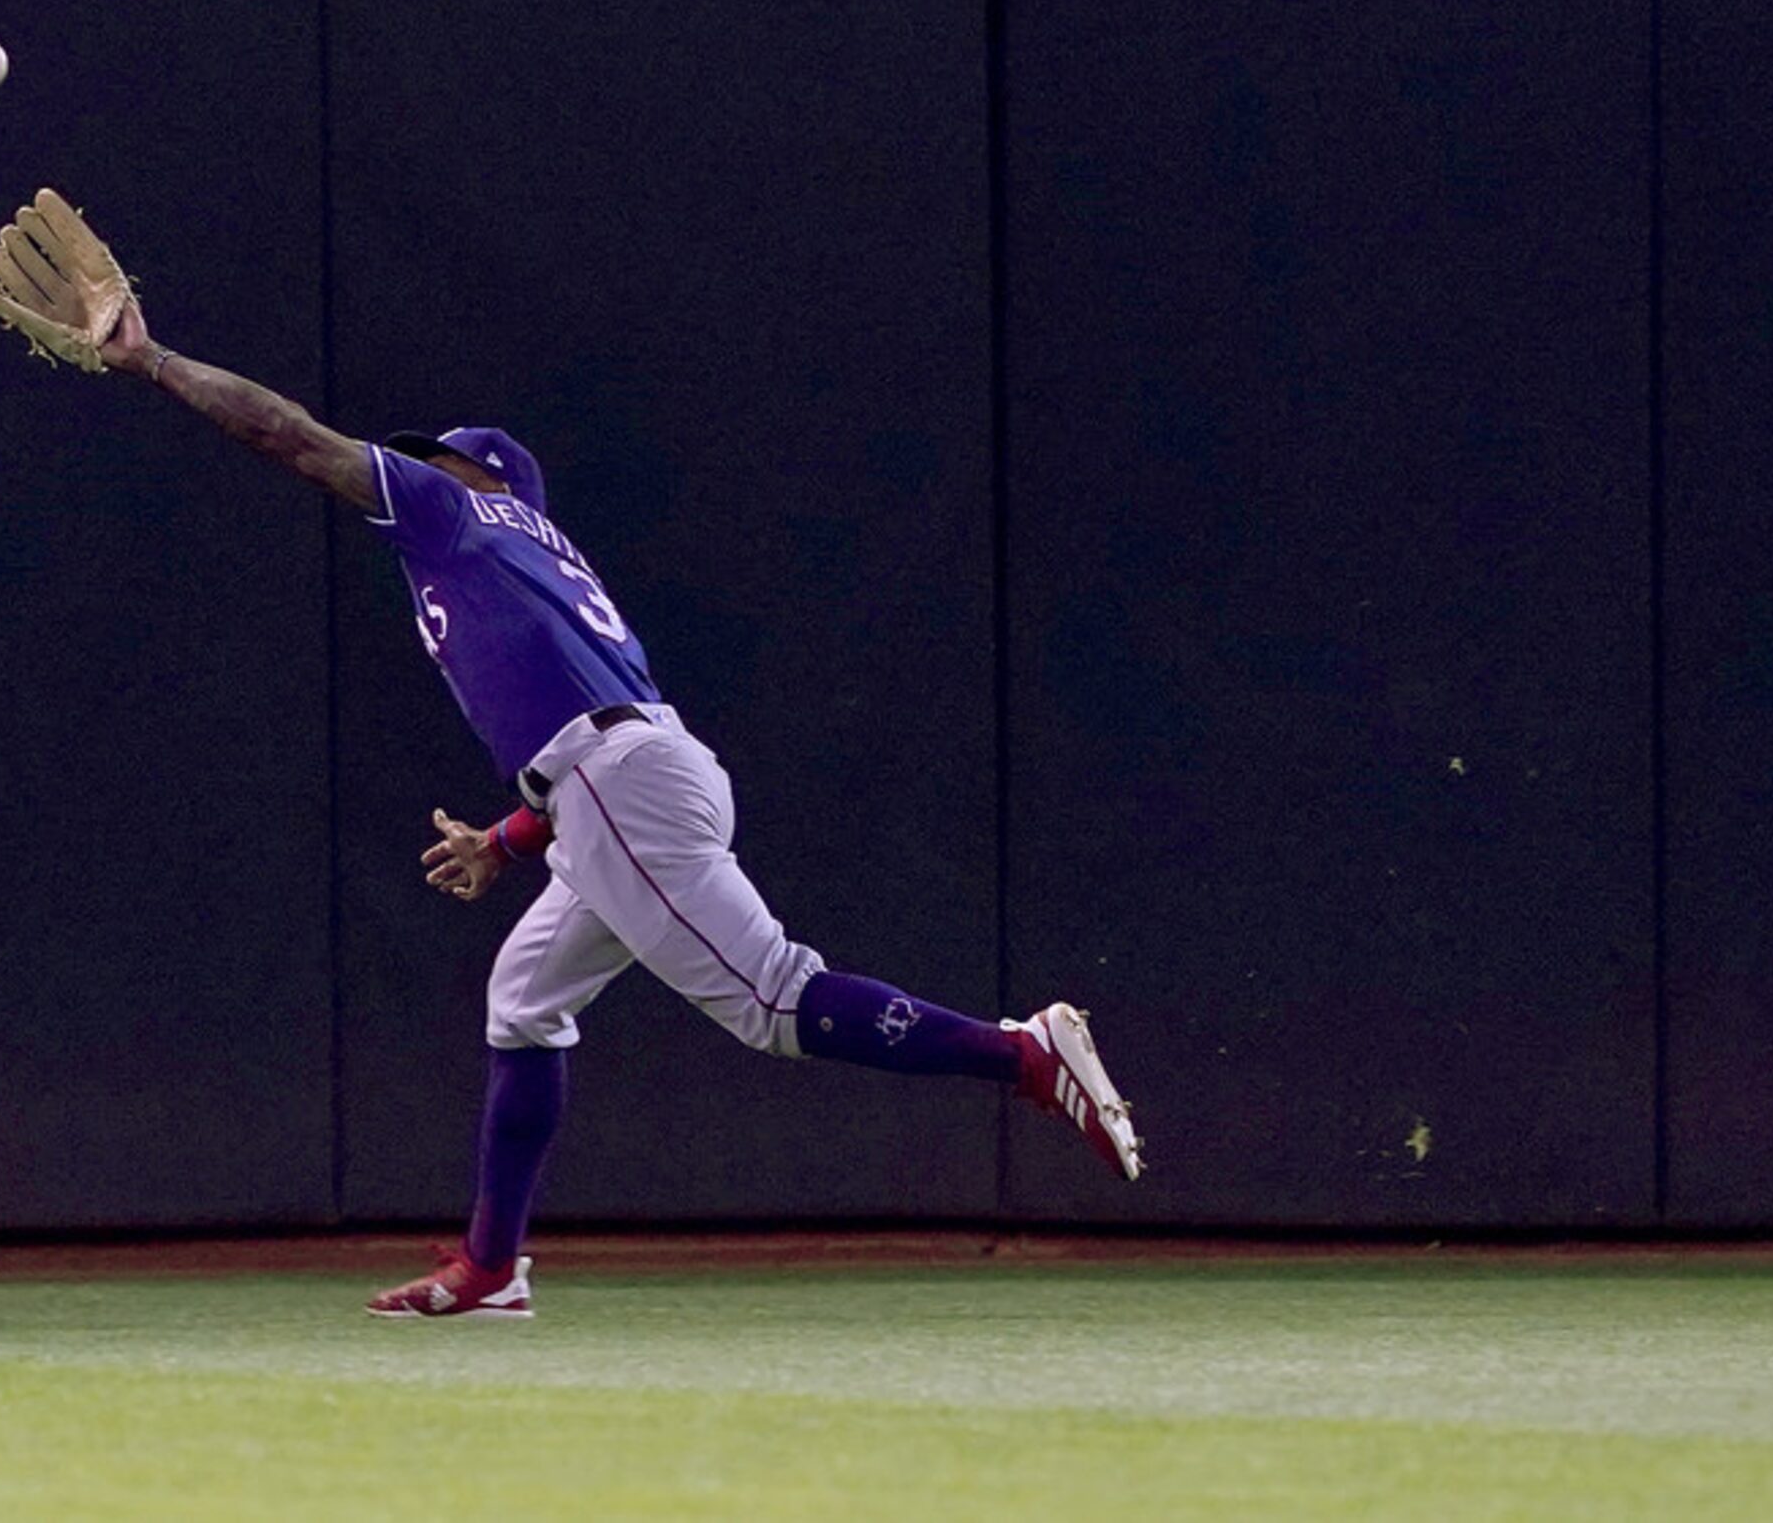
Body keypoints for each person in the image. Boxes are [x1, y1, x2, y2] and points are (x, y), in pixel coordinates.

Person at [84, 288, 1143, 1320]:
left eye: (431, 455)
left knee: (774, 1001)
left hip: (620, 789)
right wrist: (508, 839)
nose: (408, 465)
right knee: (523, 999)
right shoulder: (524, 559)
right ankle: (491, 1267)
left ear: (479, 478)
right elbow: (579, 730)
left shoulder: (459, 513)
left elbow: (293, 437)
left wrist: (156, 362)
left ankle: (1020, 1055)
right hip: (618, 780)